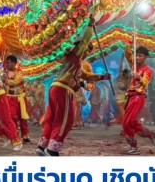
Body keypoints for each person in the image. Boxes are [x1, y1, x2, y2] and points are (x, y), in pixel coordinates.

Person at [36, 18, 110, 156]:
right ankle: (52, 149)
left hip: (56, 88)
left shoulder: (74, 62)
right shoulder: (75, 55)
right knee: (66, 120)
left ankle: (43, 145)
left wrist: (103, 77)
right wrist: (89, 26)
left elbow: (87, 76)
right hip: (64, 89)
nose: (87, 52)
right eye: (87, 49)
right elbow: (85, 40)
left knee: (53, 118)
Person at [122, 46, 155, 155]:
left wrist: (138, 77)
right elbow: (127, 53)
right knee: (131, 122)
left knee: (127, 122)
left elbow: (145, 82)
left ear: (146, 57)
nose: (137, 58)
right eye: (137, 55)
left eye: (140, 56)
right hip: (130, 96)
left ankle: (134, 146)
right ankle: (151, 135)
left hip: (138, 96)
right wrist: (130, 41)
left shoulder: (147, 70)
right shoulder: (133, 65)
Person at [4, 55, 32, 144]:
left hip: (20, 99)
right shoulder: (4, 73)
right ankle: (14, 136)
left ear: (14, 63)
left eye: (9, 62)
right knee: (12, 117)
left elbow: (16, 82)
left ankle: (25, 137)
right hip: (9, 98)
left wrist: (5, 81)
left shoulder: (20, 72)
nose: (7, 64)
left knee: (22, 118)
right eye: (6, 62)